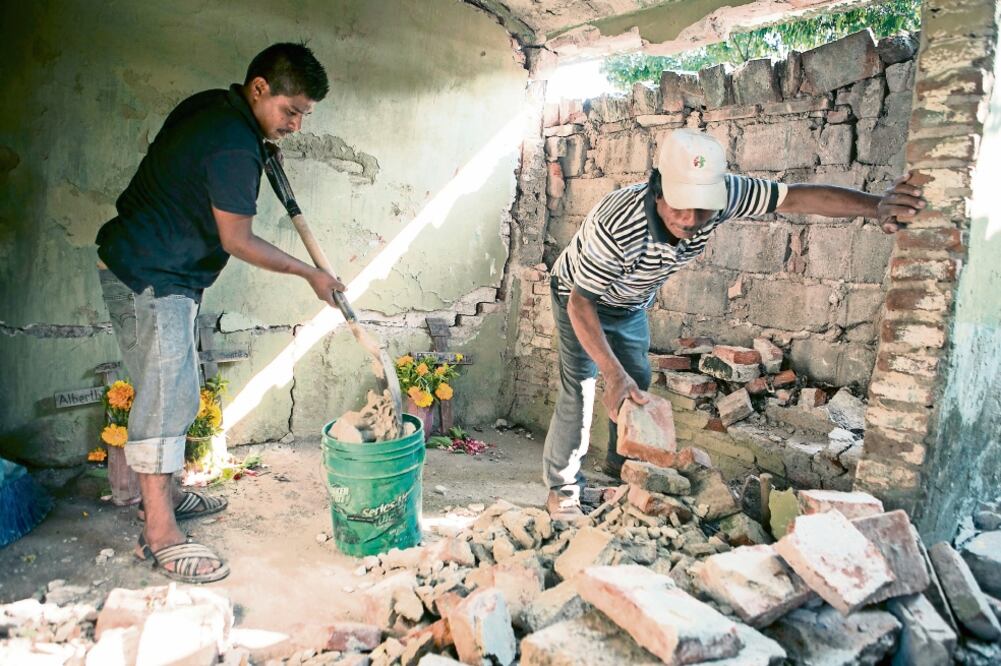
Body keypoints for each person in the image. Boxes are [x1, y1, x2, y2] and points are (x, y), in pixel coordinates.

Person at [543, 128, 926, 520]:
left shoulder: (725, 194)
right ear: (658, 191)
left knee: (637, 382)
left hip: (630, 304)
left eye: (703, 209)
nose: (692, 220)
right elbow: (581, 304)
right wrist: (612, 374)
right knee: (583, 388)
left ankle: (624, 470)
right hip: (578, 297)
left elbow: (798, 197)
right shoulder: (619, 223)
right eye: (681, 206)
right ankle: (563, 490)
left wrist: (877, 205)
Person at [96, 43, 343, 582]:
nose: (296, 125)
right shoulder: (235, 145)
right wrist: (311, 274)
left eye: (303, 114)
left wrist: (262, 145)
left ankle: (165, 498)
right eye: (290, 111)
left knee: (170, 391)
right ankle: (160, 533)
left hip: (145, 263)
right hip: (154, 274)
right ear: (259, 88)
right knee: (168, 399)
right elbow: (238, 239)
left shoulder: (213, 107)